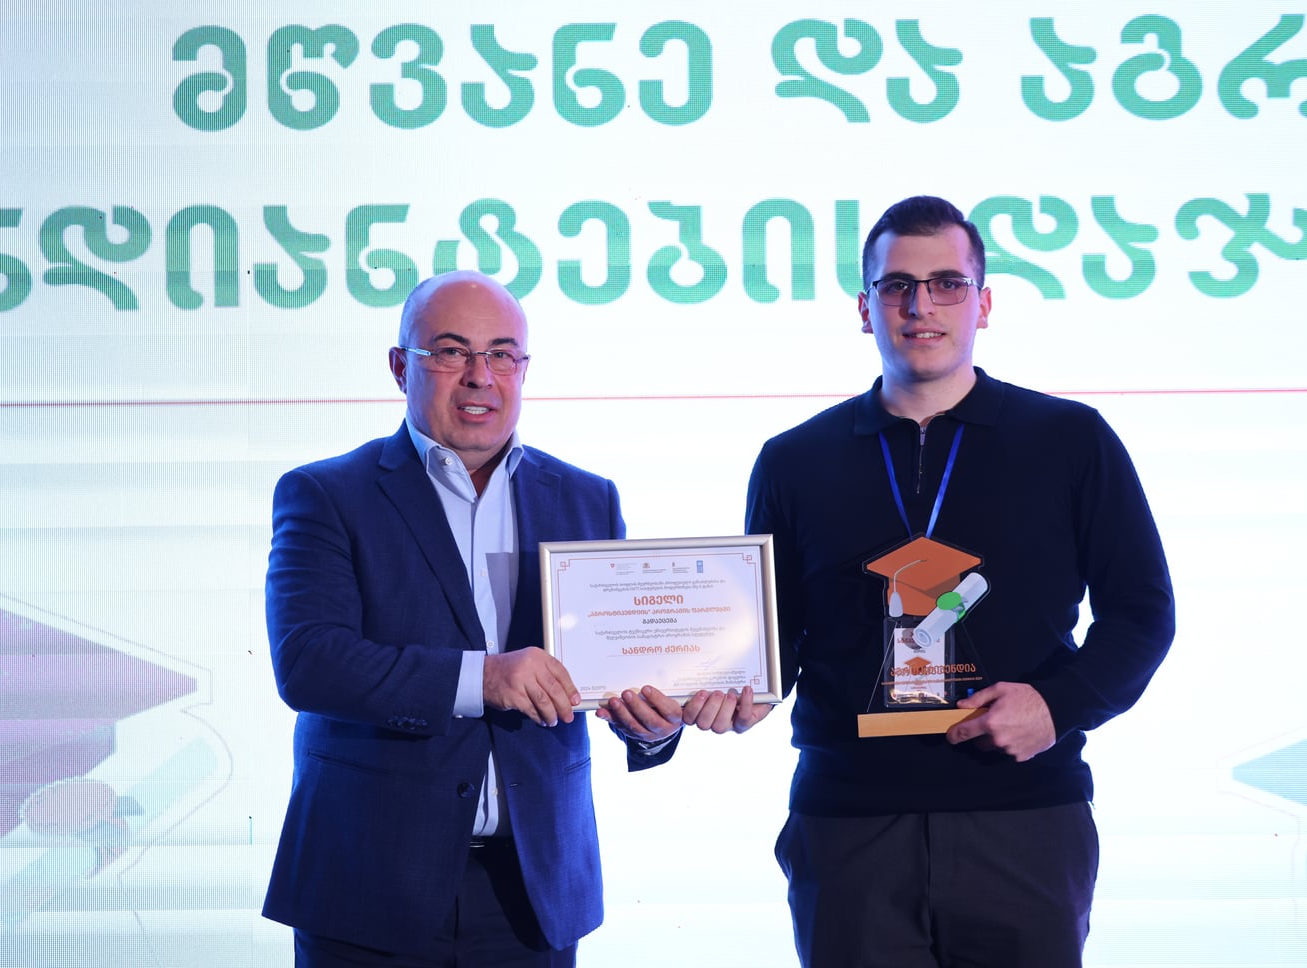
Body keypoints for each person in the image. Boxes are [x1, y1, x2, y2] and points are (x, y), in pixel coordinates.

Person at [743, 195, 1176, 967]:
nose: (921, 306)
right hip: (848, 825)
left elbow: (1142, 613)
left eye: (946, 284)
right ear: (865, 309)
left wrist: (1059, 705)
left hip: (1022, 816)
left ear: (983, 303)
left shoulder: (1069, 440)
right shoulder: (794, 460)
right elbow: (775, 636)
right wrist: (729, 688)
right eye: (896, 287)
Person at [263, 270, 697, 966]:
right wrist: (484, 678)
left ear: (524, 369)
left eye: (501, 354)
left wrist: (652, 725)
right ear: (400, 366)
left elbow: (611, 667)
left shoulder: (586, 499)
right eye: (450, 352)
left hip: (533, 890)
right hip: (369, 885)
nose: (479, 376)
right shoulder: (327, 493)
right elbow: (310, 662)